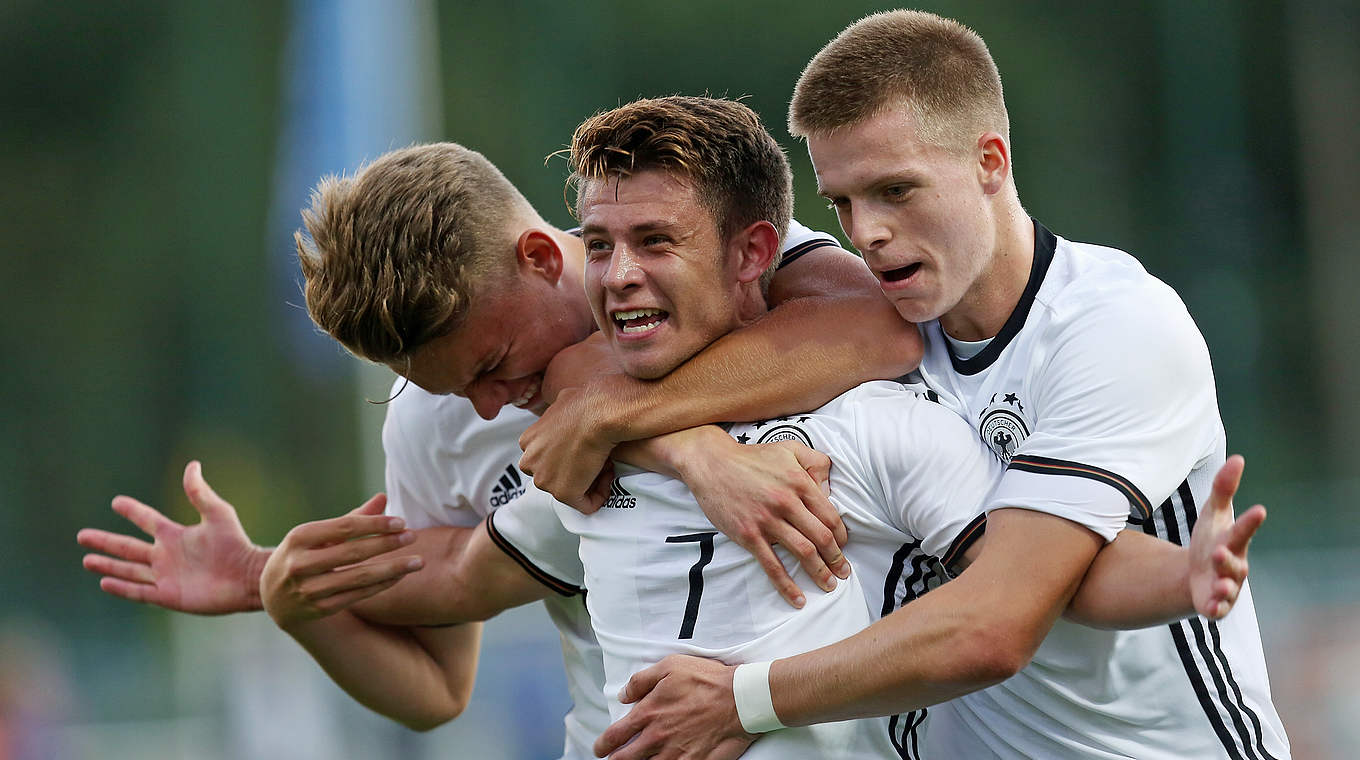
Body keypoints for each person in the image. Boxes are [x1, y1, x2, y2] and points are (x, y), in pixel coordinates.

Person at [589, 12, 1288, 760]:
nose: (868, 231)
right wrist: (690, 451)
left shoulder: (1116, 329)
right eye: (844, 202)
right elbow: (605, 301)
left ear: (990, 160)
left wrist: (741, 701)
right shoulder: (872, 307)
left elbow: (999, 620)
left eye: (896, 190)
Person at [77, 138, 920, 758]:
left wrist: (614, 416)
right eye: (452, 391)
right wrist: (278, 589)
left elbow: (878, 330)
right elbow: (437, 684)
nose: (487, 407)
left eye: (489, 365)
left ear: (540, 256)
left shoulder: (688, 255)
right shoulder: (427, 419)